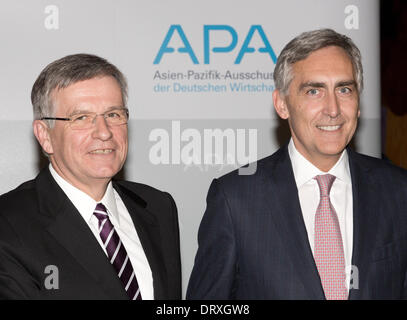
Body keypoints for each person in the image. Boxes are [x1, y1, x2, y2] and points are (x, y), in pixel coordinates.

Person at [187, 29, 407, 300]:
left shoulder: (398, 191)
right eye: (314, 91)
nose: (333, 109)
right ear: (282, 104)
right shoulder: (235, 199)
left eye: (344, 89)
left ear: (359, 102)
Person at [0, 54, 181, 300]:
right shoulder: (8, 225)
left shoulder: (157, 207)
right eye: (82, 118)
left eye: (114, 114)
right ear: (45, 135)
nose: (104, 132)